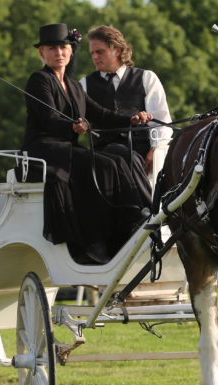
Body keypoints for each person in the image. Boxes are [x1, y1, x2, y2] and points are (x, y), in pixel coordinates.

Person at [21, 23, 152, 265]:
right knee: (103, 165)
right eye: (52, 49)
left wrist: (130, 119)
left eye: (63, 48)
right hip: (45, 149)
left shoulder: (72, 85)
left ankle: (133, 216)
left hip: (67, 149)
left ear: (70, 51)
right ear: (42, 53)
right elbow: (48, 119)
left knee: (117, 159)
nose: (59, 53)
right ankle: (95, 240)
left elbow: (99, 113)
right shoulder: (39, 80)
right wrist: (71, 127)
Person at [80, 25, 172, 186]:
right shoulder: (84, 85)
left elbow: (161, 121)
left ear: (116, 50)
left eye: (99, 52)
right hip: (103, 156)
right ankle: (145, 209)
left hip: (144, 156)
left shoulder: (147, 78)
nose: (94, 57)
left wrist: (154, 151)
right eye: (92, 53)